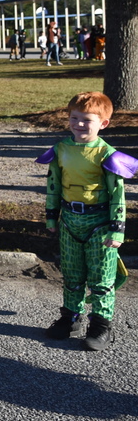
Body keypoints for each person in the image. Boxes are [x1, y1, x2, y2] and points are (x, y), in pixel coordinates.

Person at [39, 92, 133, 351]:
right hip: (70, 222)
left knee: (102, 279)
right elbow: (53, 185)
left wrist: (117, 230)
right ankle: (70, 316)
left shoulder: (108, 155)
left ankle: (101, 324)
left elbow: (118, 195)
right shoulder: (60, 150)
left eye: (86, 120)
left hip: (100, 225)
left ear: (103, 123)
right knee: (71, 275)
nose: (78, 124)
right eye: (74, 118)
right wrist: (51, 216)